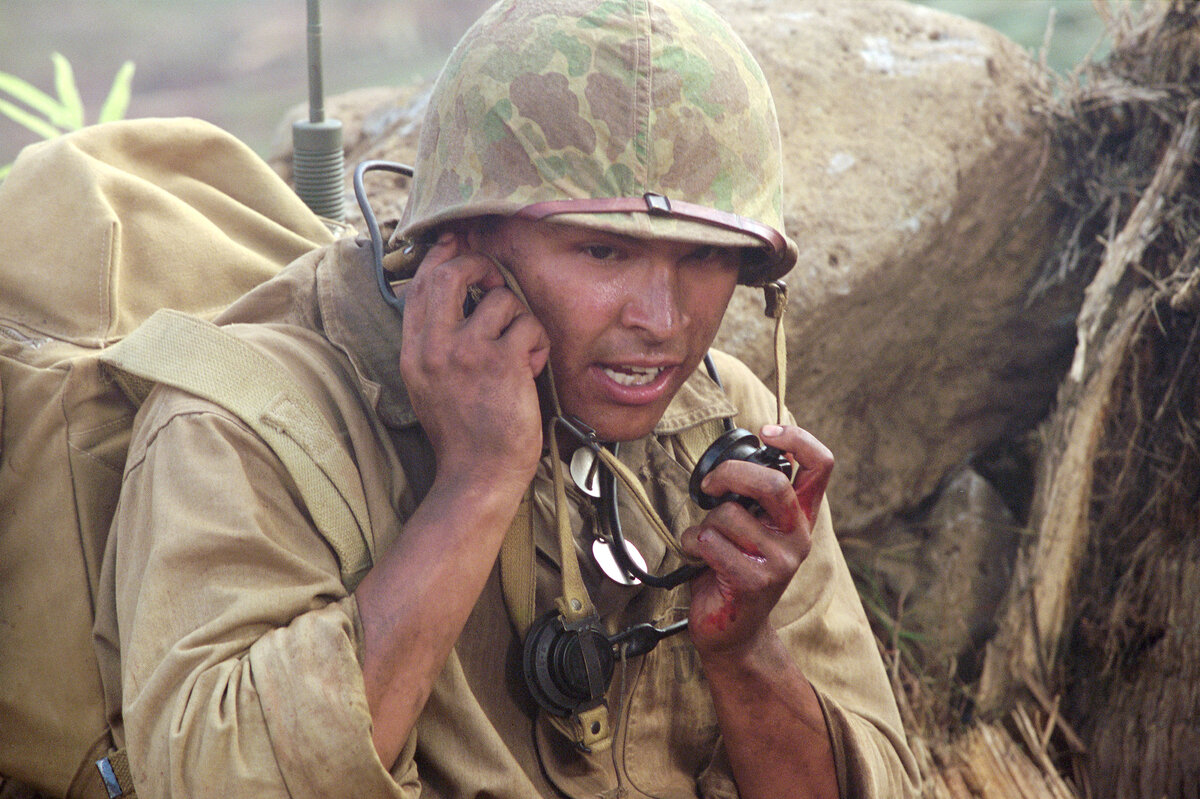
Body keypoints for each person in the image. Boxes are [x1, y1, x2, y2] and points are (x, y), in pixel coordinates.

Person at [96, 0, 921, 796]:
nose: (663, 322)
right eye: (603, 251)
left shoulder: (720, 423)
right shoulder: (246, 421)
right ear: (464, 244)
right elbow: (218, 780)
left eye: (703, 259)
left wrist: (745, 654)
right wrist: (477, 485)